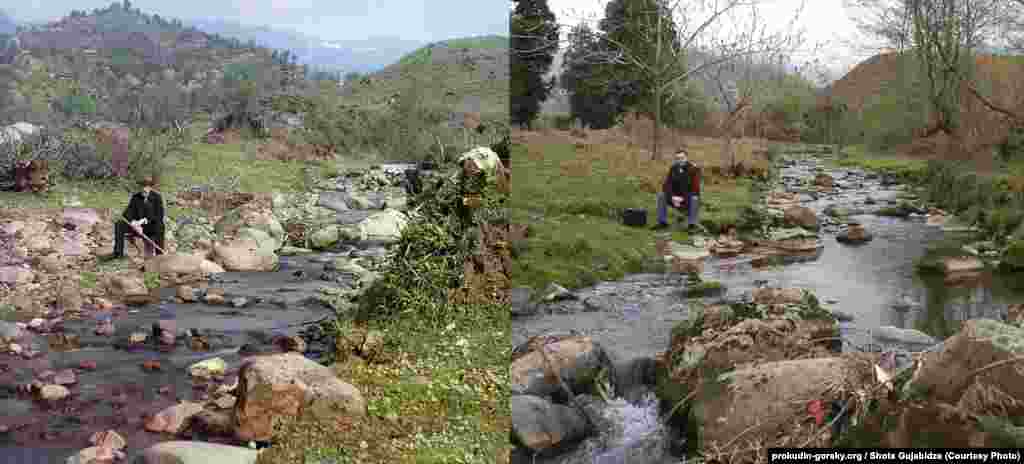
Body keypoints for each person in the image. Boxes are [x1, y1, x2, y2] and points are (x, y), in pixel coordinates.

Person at [99, 176, 165, 261]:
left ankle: (160, 255)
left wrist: (143, 222)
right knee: (120, 224)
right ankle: (118, 253)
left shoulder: (157, 197)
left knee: (160, 225)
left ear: (151, 187)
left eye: (147, 186)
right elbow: (127, 214)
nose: (144, 188)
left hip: (150, 227)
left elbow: (159, 216)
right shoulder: (135, 197)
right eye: (142, 186)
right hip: (136, 226)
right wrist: (134, 223)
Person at [653, 149, 701, 232]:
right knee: (661, 195)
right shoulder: (673, 168)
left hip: (687, 198)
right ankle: (662, 222)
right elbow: (666, 185)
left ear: (686, 158)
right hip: (674, 197)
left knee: (695, 198)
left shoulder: (694, 169)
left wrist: (682, 198)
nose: (680, 160)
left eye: (682, 158)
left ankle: (692, 225)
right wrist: (672, 197)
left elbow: (695, 189)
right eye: (677, 158)